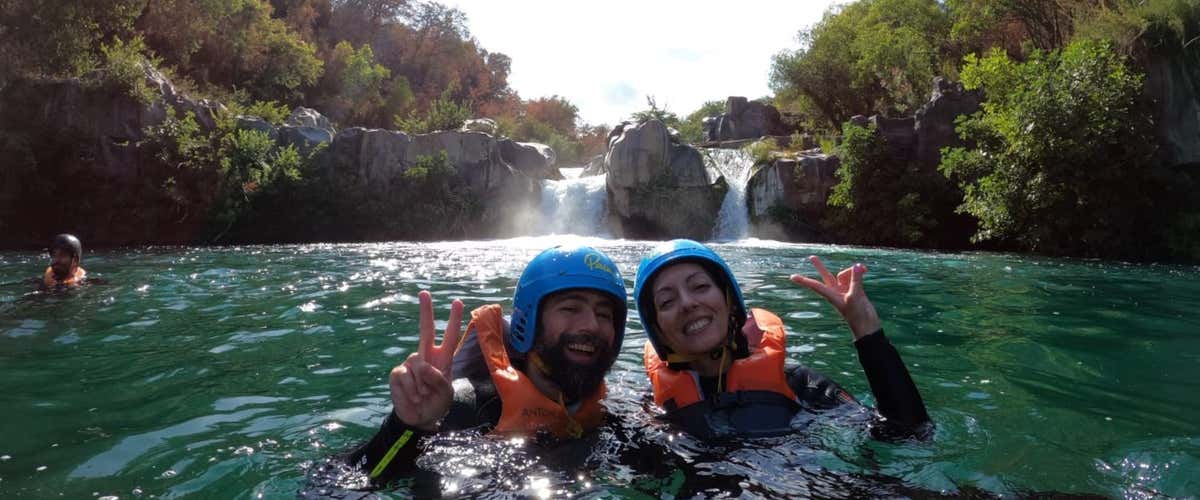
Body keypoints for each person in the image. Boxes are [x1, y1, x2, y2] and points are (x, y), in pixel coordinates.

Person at [343, 245, 628, 484]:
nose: (591, 325)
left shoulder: (614, 416)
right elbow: (341, 486)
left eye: (604, 314)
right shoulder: (465, 409)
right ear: (528, 322)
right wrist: (407, 427)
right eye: (570, 308)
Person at [634, 239, 930, 439]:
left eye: (699, 286)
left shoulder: (798, 383)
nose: (687, 303)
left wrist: (865, 328)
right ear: (657, 329)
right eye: (667, 302)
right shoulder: (654, 408)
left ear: (729, 301)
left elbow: (907, 434)